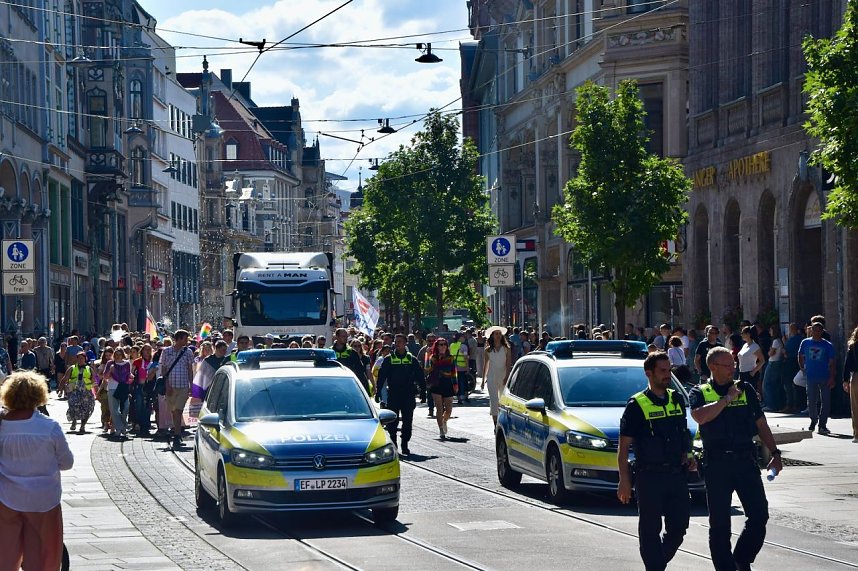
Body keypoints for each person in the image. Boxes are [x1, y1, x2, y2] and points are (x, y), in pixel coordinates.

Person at [690, 346, 782, 571]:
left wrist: (775, 453)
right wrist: (726, 399)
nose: (733, 369)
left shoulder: (746, 389)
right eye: (727, 365)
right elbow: (700, 416)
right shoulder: (699, 392)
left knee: (759, 515)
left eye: (733, 364)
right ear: (712, 367)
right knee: (720, 524)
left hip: (745, 461)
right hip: (717, 464)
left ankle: (741, 558)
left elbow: (761, 423)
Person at [618, 352, 695, 571]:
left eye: (669, 370)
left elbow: (683, 434)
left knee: (679, 526)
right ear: (649, 373)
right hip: (648, 475)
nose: (667, 375)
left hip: (676, 474)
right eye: (662, 371)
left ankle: (656, 564)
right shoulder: (636, 405)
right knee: (650, 529)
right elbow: (624, 449)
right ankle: (655, 567)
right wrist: (624, 481)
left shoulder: (677, 399)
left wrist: (688, 455)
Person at [0, 371, 74, 570]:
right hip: (43, 499)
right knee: (42, 553)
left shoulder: (2, 426)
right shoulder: (49, 427)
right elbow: (67, 463)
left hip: (6, 497)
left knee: (5, 551)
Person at [375, 334, 424, 455]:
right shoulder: (389, 359)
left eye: (400, 341)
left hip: (408, 394)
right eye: (396, 342)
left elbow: (420, 376)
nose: (397, 344)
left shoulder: (411, 359)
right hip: (394, 394)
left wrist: (424, 391)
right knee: (392, 421)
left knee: (408, 421)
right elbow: (382, 377)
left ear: (405, 343)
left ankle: (405, 443)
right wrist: (378, 392)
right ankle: (394, 442)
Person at [159, 330, 195, 449]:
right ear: (178, 339)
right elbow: (164, 369)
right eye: (185, 339)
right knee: (174, 411)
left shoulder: (188, 352)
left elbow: (190, 369)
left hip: (183, 385)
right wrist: (167, 385)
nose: (187, 341)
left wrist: (191, 384)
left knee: (178, 411)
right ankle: (177, 433)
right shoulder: (166, 351)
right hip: (171, 386)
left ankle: (177, 435)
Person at [798, 322, 836, 435]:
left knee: (826, 401)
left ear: (822, 331)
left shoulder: (827, 345)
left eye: (819, 330)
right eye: (814, 330)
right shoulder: (805, 342)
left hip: (824, 376)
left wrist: (832, 377)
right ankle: (813, 420)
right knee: (811, 400)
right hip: (811, 376)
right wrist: (802, 367)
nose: (816, 332)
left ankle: (822, 424)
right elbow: (800, 355)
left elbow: (833, 362)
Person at [426, 338, 457, 440]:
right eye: (440, 344)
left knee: (448, 409)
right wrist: (427, 356)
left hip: (447, 383)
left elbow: (454, 372)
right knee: (439, 408)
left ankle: (444, 421)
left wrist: (455, 385)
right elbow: (426, 370)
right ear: (437, 346)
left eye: (444, 344)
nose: (443, 346)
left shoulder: (451, 358)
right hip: (436, 384)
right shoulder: (432, 358)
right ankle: (441, 430)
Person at [483, 326, 511, 427]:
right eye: (496, 334)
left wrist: (507, 376)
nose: (498, 335)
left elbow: (508, 364)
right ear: (492, 336)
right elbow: (486, 365)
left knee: (503, 400)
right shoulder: (488, 350)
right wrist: (483, 380)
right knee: (494, 401)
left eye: (499, 333)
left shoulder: (506, 349)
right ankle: (496, 424)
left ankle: (504, 422)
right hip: (491, 377)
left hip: (503, 376)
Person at [62, 352, 96, 434]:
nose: (80, 360)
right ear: (76, 359)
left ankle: (82, 426)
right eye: (79, 358)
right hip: (74, 391)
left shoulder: (89, 369)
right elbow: (65, 378)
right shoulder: (72, 368)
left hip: (86, 392)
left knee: (87, 408)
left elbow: (93, 380)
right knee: (74, 406)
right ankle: (74, 421)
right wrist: (61, 388)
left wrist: (96, 391)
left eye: (82, 358)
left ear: (85, 359)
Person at [104, 347, 133, 440]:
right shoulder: (110, 363)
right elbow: (105, 376)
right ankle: (120, 428)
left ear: (122, 355)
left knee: (125, 408)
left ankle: (122, 426)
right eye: (115, 355)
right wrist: (111, 370)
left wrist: (131, 378)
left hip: (123, 387)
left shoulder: (127, 363)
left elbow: (128, 375)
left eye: (119, 354)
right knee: (114, 410)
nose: (117, 357)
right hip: (112, 388)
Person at [331, 328, 371, 394]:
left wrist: (365, 390)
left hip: (349, 386)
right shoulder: (330, 352)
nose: (346, 338)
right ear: (337, 337)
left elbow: (360, 372)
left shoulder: (352, 352)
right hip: (334, 386)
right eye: (343, 336)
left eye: (346, 336)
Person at [781, 323, 804, 414]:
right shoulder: (801, 339)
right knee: (795, 385)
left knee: (788, 384)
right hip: (796, 362)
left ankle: (790, 405)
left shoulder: (793, 339)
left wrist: (784, 343)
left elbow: (785, 351)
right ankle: (796, 404)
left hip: (790, 362)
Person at [762, 325, 785, 412]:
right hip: (777, 363)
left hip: (773, 363)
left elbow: (770, 353)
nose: (769, 332)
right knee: (775, 385)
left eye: (771, 330)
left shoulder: (775, 341)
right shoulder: (779, 341)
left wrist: (769, 350)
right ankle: (775, 404)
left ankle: (770, 404)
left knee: (767, 384)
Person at [737, 326, 765, 398]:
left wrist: (753, 372)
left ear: (748, 334)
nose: (741, 335)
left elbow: (762, 360)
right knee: (742, 395)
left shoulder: (755, 346)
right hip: (741, 373)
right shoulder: (745, 345)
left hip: (749, 374)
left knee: (750, 395)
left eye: (743, 333)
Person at [843, 326, 858, 443]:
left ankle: (857, 435)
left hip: (856, 377)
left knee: (855, 407)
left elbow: (847, 365)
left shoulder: (853, 347)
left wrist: (845, 380)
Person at [417, 333, 436, 417]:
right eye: (429, 340)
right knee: (429, 393)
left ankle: (441, 408)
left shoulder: (439, 348)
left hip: (438, 375)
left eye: (433, 340)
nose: (431, 342)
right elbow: (419, 360)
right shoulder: (423, 350)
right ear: (426, 340)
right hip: (428, 375)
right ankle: (431, 409)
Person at [449, 332, 470, 404]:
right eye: (463, 337)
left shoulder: (452, 345)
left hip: (453, 366)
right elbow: (465, 358)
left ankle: (459, 398)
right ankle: (465, 397)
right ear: (459, 338)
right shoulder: (464, 346)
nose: (464, 338)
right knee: (464, 382)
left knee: (456, 383)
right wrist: (467, 367)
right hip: (462, 367)